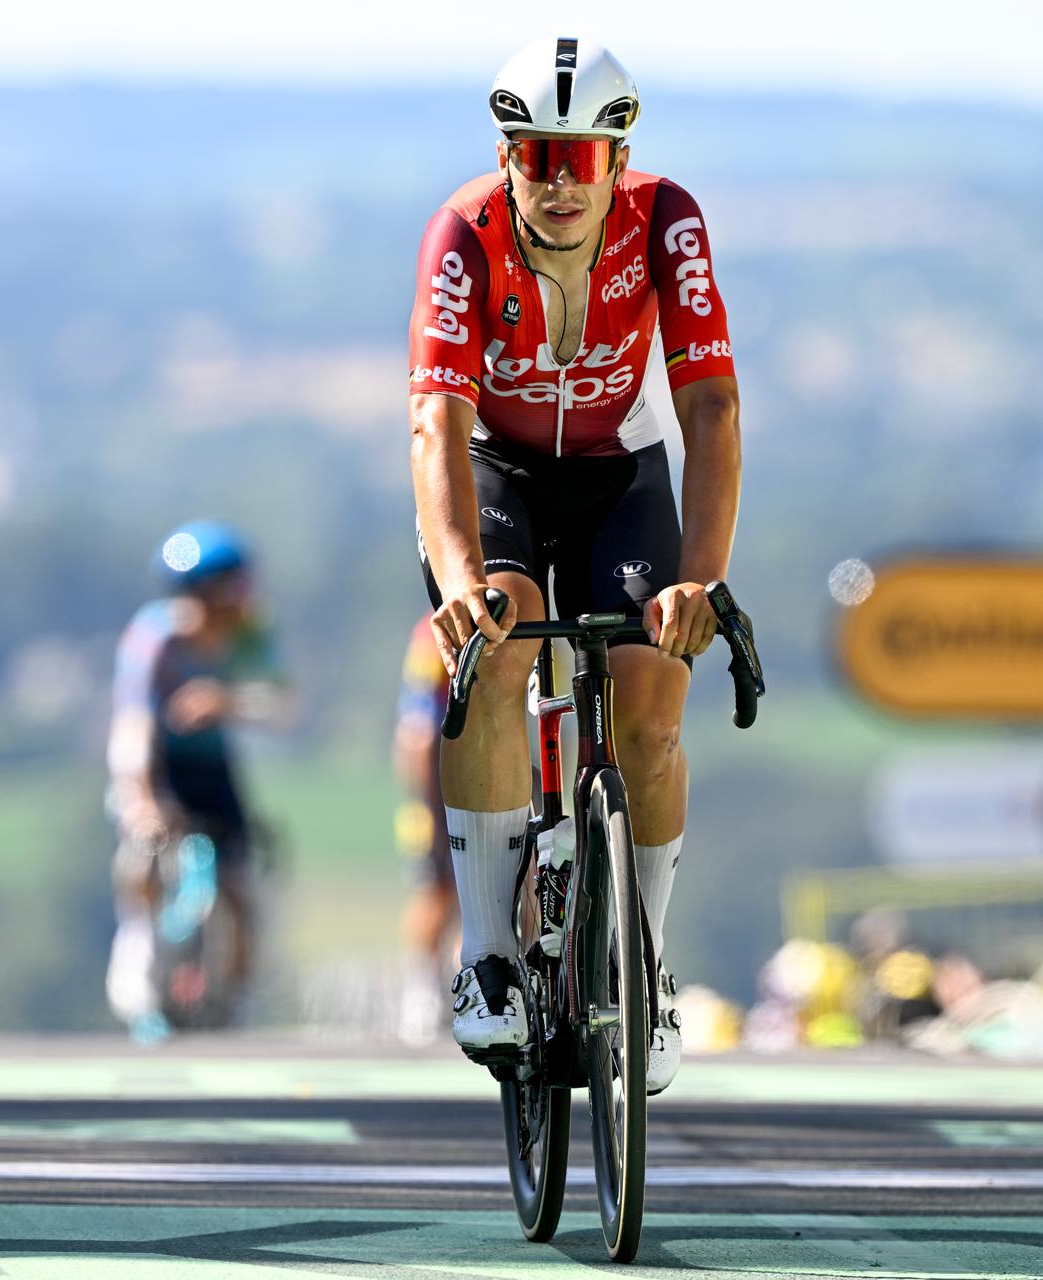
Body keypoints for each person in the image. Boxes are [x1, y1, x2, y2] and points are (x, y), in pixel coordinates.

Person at [408, 37, 743, 1094]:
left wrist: (702, 576)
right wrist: (462, 581)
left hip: (617, 472)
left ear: (620, 160)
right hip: (494, 470)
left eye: (582, 160)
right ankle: (492, 964)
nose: (559, 181)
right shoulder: (465, 232)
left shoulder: (666, 221)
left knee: (649, 701)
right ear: (507, 154)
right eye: (537, 155)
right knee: (499, 641)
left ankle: (640, 967)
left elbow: (712, 406)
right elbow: (435, 417)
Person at [105, 521, 290, 1039]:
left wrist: (227, 701)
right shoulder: (154, 639)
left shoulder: (252, 630)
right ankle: (139, 967)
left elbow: (281, 703)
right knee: (141, 858)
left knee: (239, 883)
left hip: (212, 766)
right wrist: (140, 798)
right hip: (157, 762)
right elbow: (133, 725)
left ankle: (235, 994)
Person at [393, 616, 458, 1042]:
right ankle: (422, 988)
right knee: (437, 888)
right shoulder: (431, 635)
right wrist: (428, 807)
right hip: (433, 788)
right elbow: (417, 731)